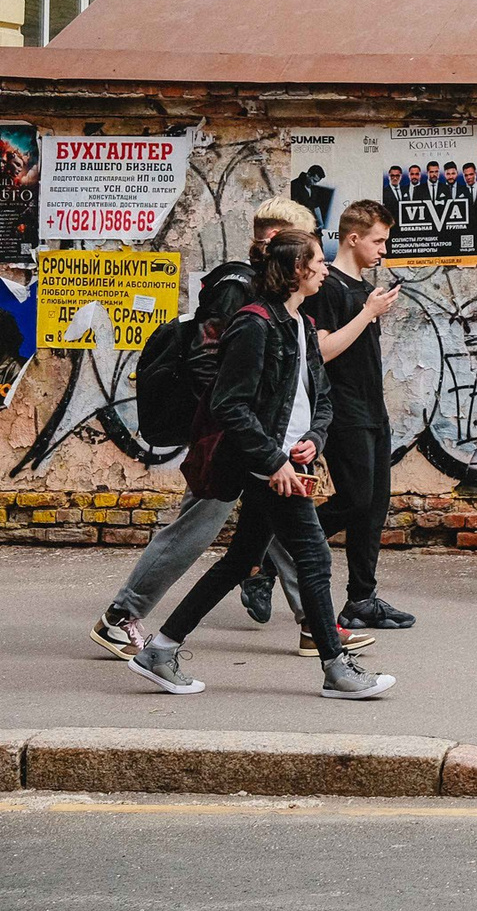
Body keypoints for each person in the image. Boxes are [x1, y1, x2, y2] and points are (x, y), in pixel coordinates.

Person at [89, 199, 371, 662]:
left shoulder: (281, 300)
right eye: (306, 249)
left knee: (281, 535)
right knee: (195, 530)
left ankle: (314, 628)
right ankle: (123, 615)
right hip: (229, 439)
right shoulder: (237, 288)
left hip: (262, 441)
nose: (316, 260)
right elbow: (209, 367)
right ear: (274, 241)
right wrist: (239, 433)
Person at [128, 230, 395, 699]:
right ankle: (336, 669)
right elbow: (231, 405)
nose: (325, 268)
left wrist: (313, 438)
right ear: (297, 270)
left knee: (239, 561)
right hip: (265, 466)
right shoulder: (254, 324)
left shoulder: (300, 324)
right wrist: (273, 460)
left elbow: (321, 396)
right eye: (317, 260)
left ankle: (161, 649)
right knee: (313, 557)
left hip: (291, 460)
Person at [286, 200, 410, 631]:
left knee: (374, 508)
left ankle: (362, 599)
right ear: (352, 238)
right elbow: (321, 350)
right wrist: (368, 314)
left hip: (373, 409)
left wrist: (371, 309)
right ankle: (281, 541)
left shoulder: (362, 288)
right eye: (378, 240)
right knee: (355, 501)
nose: (383, 249)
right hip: (342, 411)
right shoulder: (330, 286)